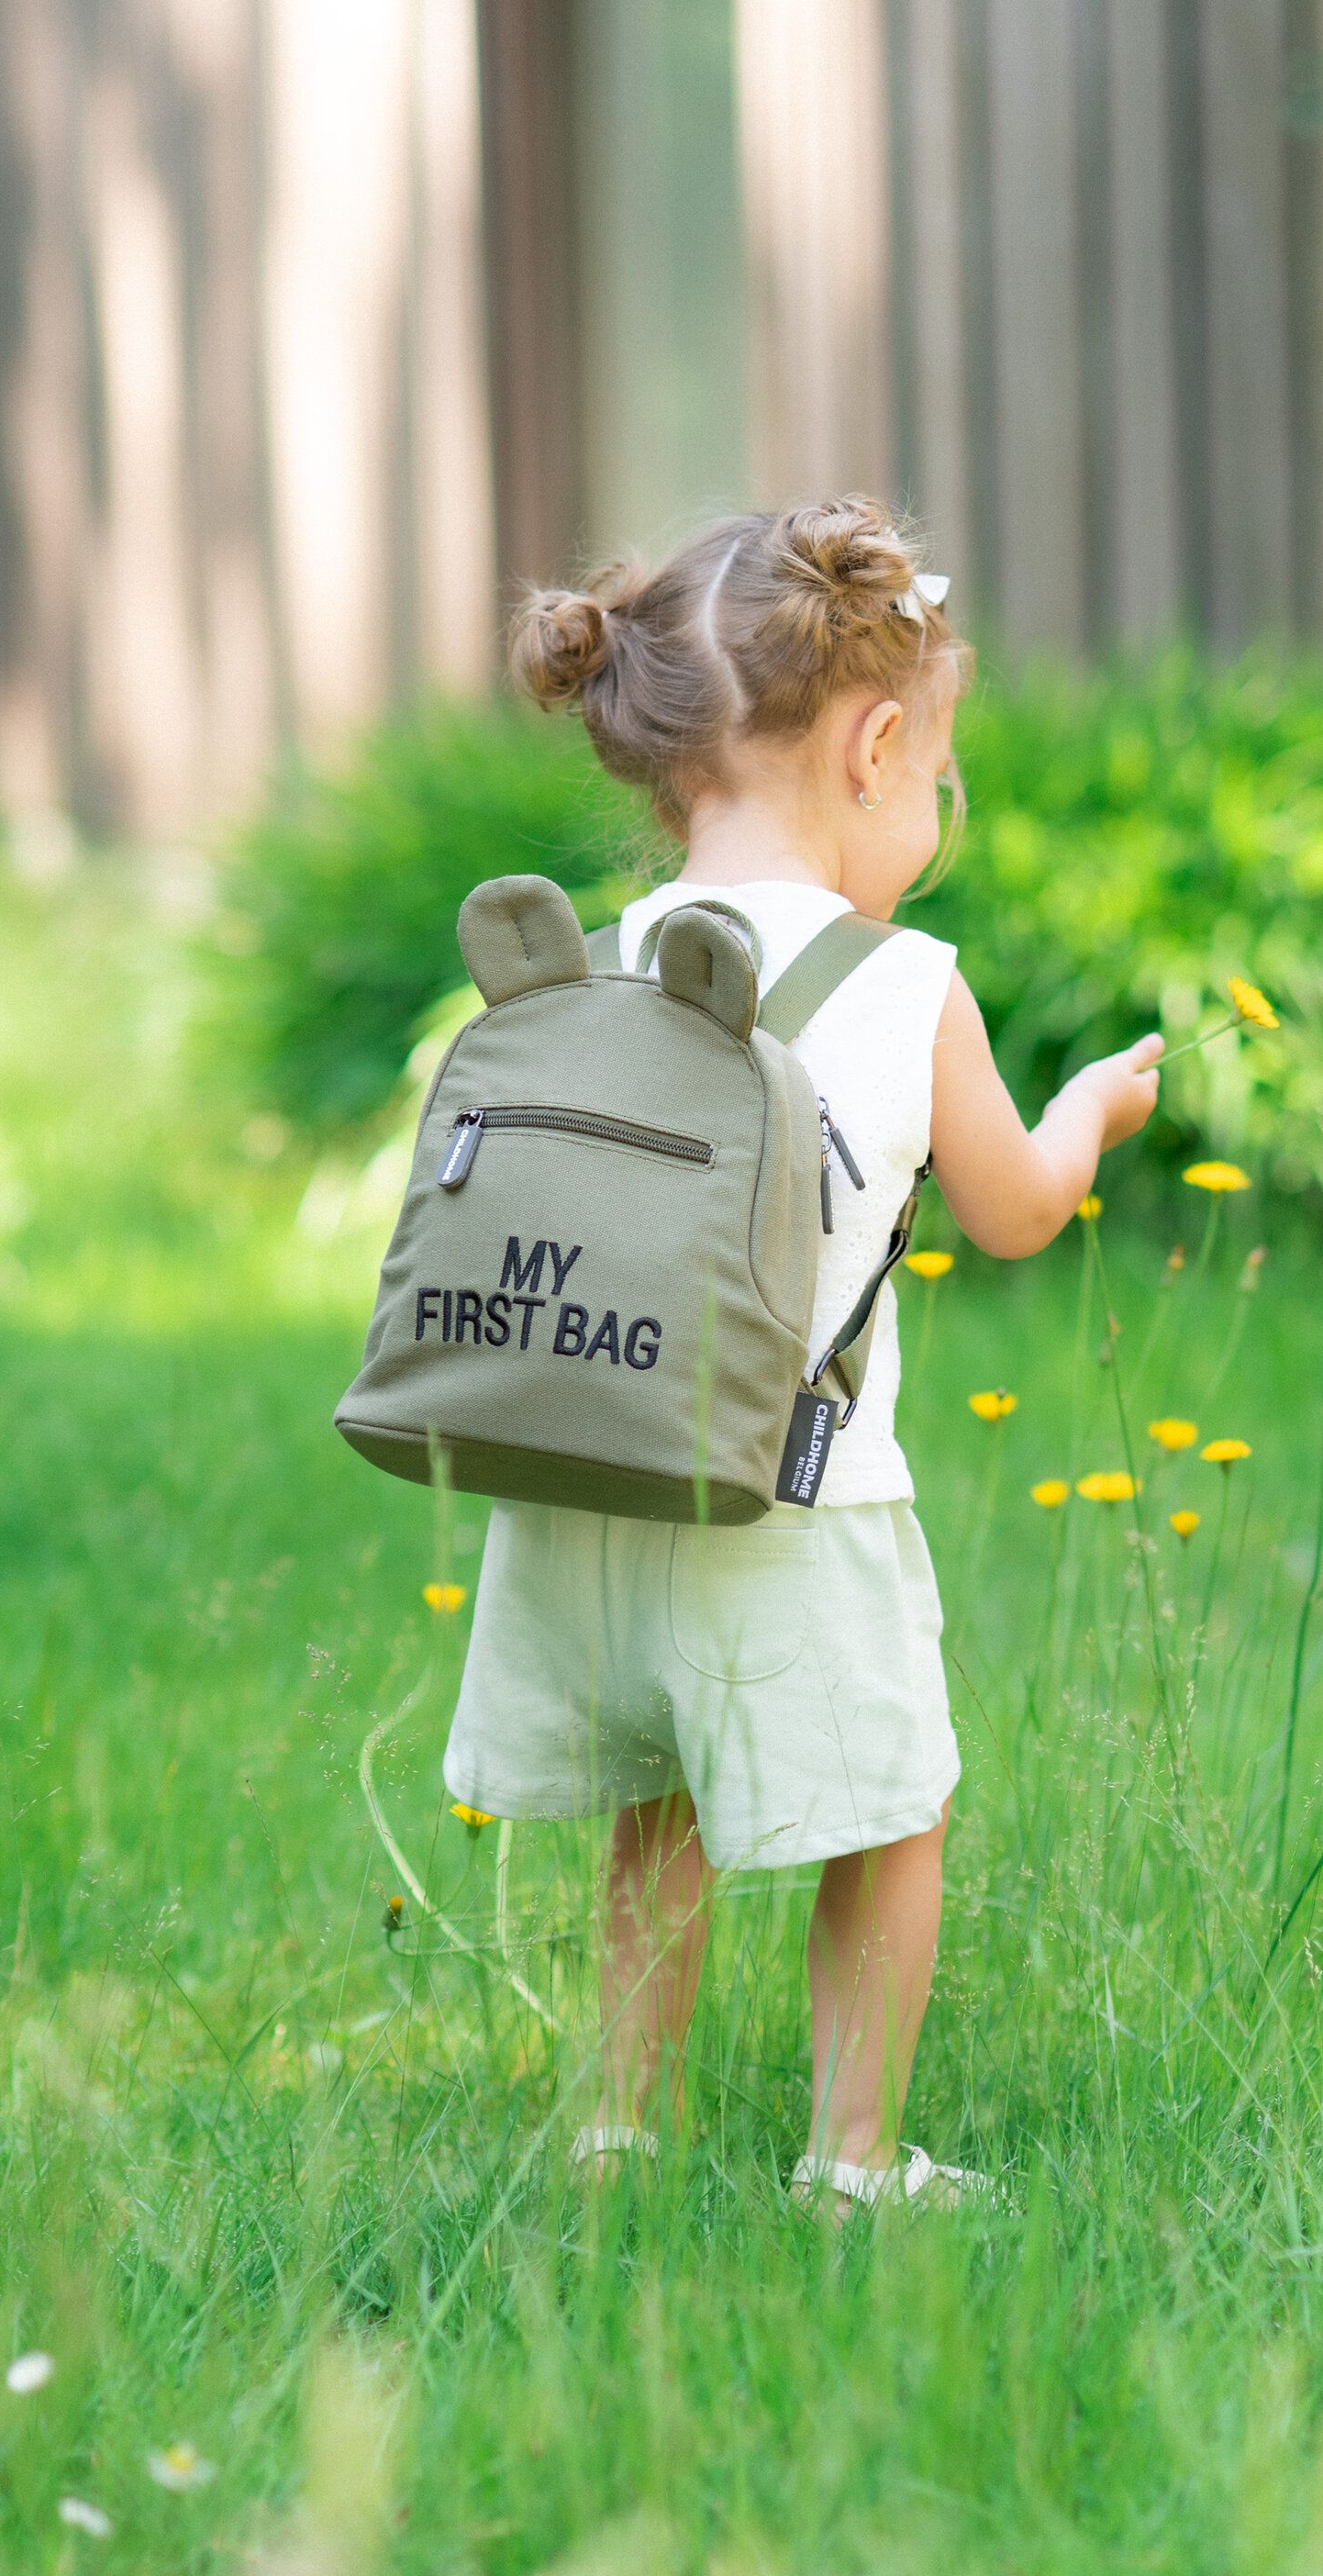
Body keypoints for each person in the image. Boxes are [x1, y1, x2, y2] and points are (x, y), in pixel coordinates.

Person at [442, 496, 1162, 2213]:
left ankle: (619, 2132)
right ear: (876, 744)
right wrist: (1084, 1115)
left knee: (655, 1806)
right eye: (940, 778)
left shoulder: (591, 967)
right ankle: (851, 2161)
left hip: (590, 1481)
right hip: (794, 1503)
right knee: (889, 1814)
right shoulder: (903, 983)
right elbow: (1009, 1210)